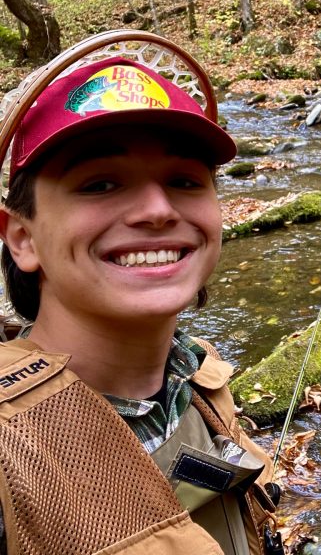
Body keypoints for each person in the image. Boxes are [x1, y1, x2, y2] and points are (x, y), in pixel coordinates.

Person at [0, 32, 281, 555]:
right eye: (100, 184)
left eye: (184, 180)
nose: (157, 209)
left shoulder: (199, 374)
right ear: (22, 237)